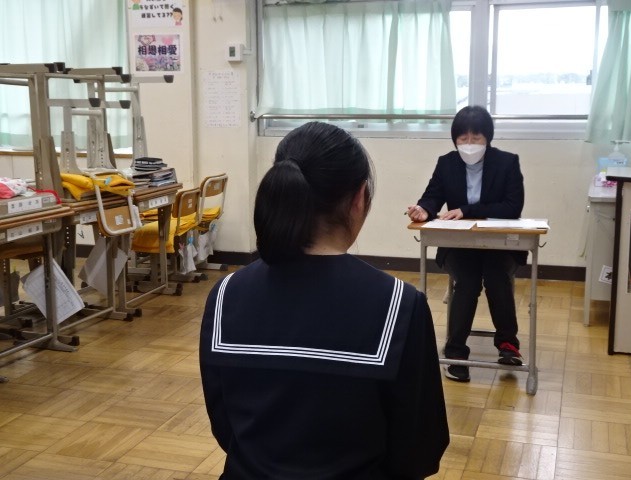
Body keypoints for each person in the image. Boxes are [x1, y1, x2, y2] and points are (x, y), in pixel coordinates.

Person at [200, 121, 449, 479]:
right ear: (359, 198)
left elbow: (225, 424)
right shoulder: (399, 305)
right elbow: (420, 450)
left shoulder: (225, 295)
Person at [407, 105, 526, 383]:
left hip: (498, 244)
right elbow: (432, 196)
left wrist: (467, 210)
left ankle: (508, 344)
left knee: (497, 277)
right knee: (468, 281)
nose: (470, 144)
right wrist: (423, 209)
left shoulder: (507, 163)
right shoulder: (446, 163)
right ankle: (455, 352)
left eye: (476, 138)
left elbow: (512, 207)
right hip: (459, 245)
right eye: (463, 138)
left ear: (488, 139)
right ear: (455, 139)